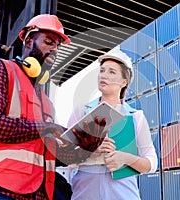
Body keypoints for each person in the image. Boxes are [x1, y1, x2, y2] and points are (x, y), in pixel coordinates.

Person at [0, 14, 107, 200]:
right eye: (49, 42)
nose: (54, 49)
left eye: (58, 46)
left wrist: (85, 149)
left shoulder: (46, 102)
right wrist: (49, 128)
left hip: (36, 193)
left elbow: (50, 155)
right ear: (29, 41)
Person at [67, 49, 158, 200]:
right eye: (102, 71)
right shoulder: (81, 112)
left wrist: (126, 158)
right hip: (84, 194)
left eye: (111, 72)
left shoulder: (135, 117)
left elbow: (151, 163)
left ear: (124, 82)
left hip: (124, 195)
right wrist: (90, 150)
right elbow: (64, 155)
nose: (104, 75)